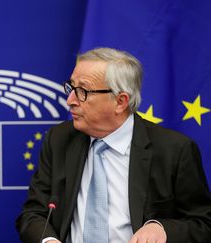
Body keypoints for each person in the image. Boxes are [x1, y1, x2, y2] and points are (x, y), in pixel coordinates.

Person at [16, 47, 211, 243]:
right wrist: (48, 241)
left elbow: (203, 224)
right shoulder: (59, 139)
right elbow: (33, 214)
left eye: (83, 91)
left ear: (120, 101)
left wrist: (163, 229)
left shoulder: (174, 150)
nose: (70, 100)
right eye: (71, 87)